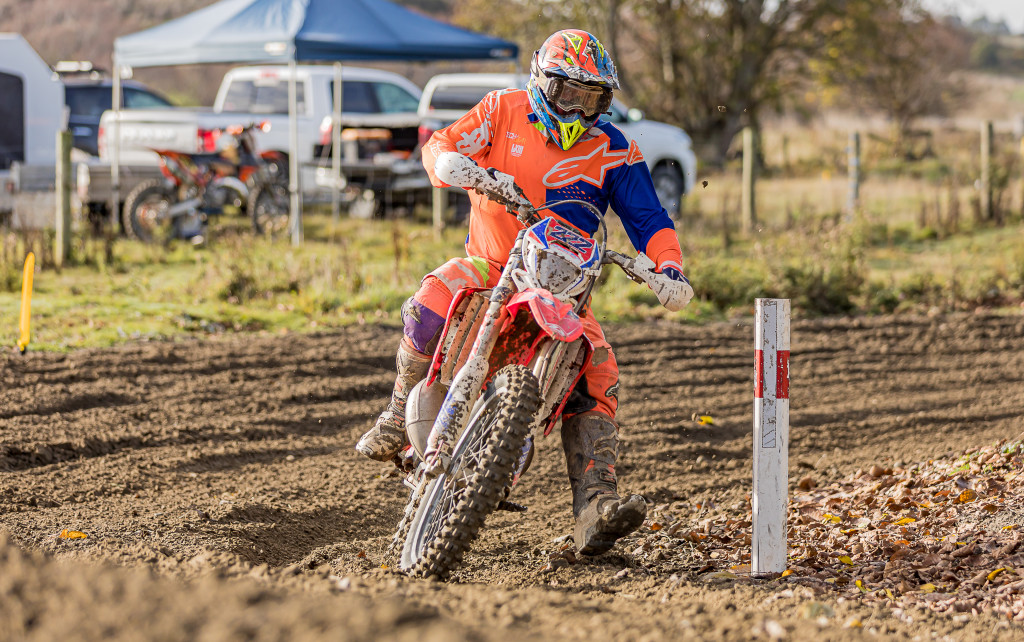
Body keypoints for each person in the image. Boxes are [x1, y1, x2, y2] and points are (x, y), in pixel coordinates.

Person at [356, 29, 693, 555]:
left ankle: (595, 506)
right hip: (492, 265)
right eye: (568, 93)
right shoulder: (501, 110)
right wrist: (451, 163)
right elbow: (442, 143)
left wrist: (669, 267)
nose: (577, 109)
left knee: (600, 369)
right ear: (542, 82)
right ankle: (399, 412)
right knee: (432, 298)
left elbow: (649, 218)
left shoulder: (616, 150)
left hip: (566, 287)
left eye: (591, 98)